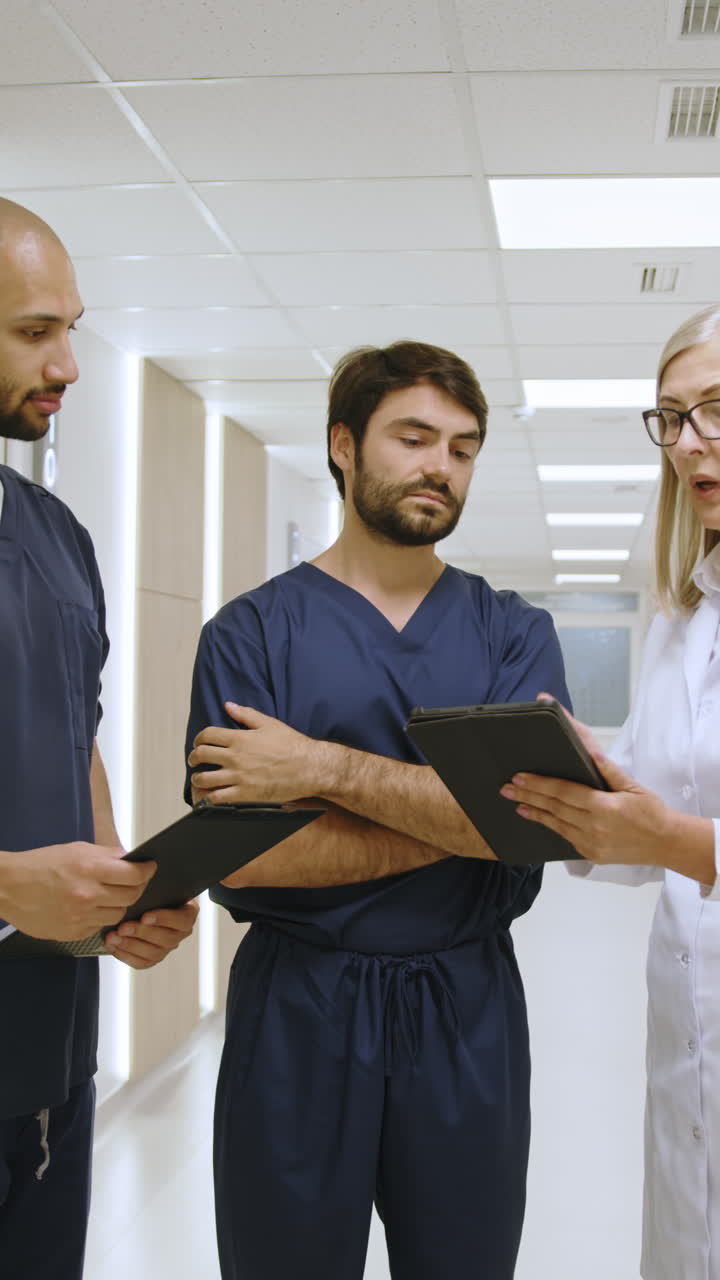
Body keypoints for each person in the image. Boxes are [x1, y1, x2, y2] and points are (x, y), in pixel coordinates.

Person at [185, 340, 570, 1280]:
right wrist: (465, 820)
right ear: (344, 445)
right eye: (414, 436)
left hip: (465, 1008)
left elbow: (533, 827)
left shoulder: (513, 633)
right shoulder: (252, 635)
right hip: (298, 1010)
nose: (441, 465)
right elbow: (242, 861)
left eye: (464, 447)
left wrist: (317, 771)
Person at [0, 198, 198, 1280]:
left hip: (47, 1053)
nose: (69, 362)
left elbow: (80, 730)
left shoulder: (58, 534)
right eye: (36, 331)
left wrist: (120, 890)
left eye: (72, 326)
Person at [501, 304, 720, 1280]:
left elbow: (679, 829)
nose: (687, 442)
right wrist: (588, 781)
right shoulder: (687, 611)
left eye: (715, 409)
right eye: (670, 416)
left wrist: (676, 839)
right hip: (689, 1041)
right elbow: (662, 793)